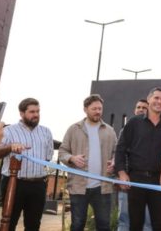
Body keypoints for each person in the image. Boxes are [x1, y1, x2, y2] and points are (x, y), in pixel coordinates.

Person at [115, 87, 161, 231]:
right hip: (136, 179)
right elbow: (120, 148)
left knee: (159, 224)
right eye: (156, 98)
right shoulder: (133, 123)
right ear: (149, 100)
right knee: (135, 223)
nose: (159, 102)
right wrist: (121, 173)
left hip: (159, 181)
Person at [0, 98, 53, 231]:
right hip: (14, 184)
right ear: (21, 113)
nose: (36, 115)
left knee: (33, 225)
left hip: (38, 185)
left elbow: (47, 158)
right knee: (9, 223)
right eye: (32, 111)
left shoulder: (46, 132)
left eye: (38, 111)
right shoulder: (8, 131)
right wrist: (10, 147)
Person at [59, 94, 117, 231]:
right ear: (85, 109)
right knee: (77, 225)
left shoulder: (110, 131)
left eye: (100, 109)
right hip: (78, 186)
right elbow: (62, 152)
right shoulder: (73, 129)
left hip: (103, 187)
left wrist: (114, 161)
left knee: (104, 226)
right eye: (94, 109)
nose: (98, 112)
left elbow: (117, 152)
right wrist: (72, 158)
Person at [117, 99, 150, 231]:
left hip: (148, 183)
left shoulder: (155, 131)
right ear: (134, 110)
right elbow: (119, 153)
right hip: (127, 181)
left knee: (147, 222)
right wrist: (122, 174)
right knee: (125, 219)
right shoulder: (125, 130)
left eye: (144, 107)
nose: (141, 109)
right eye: (138, 107)